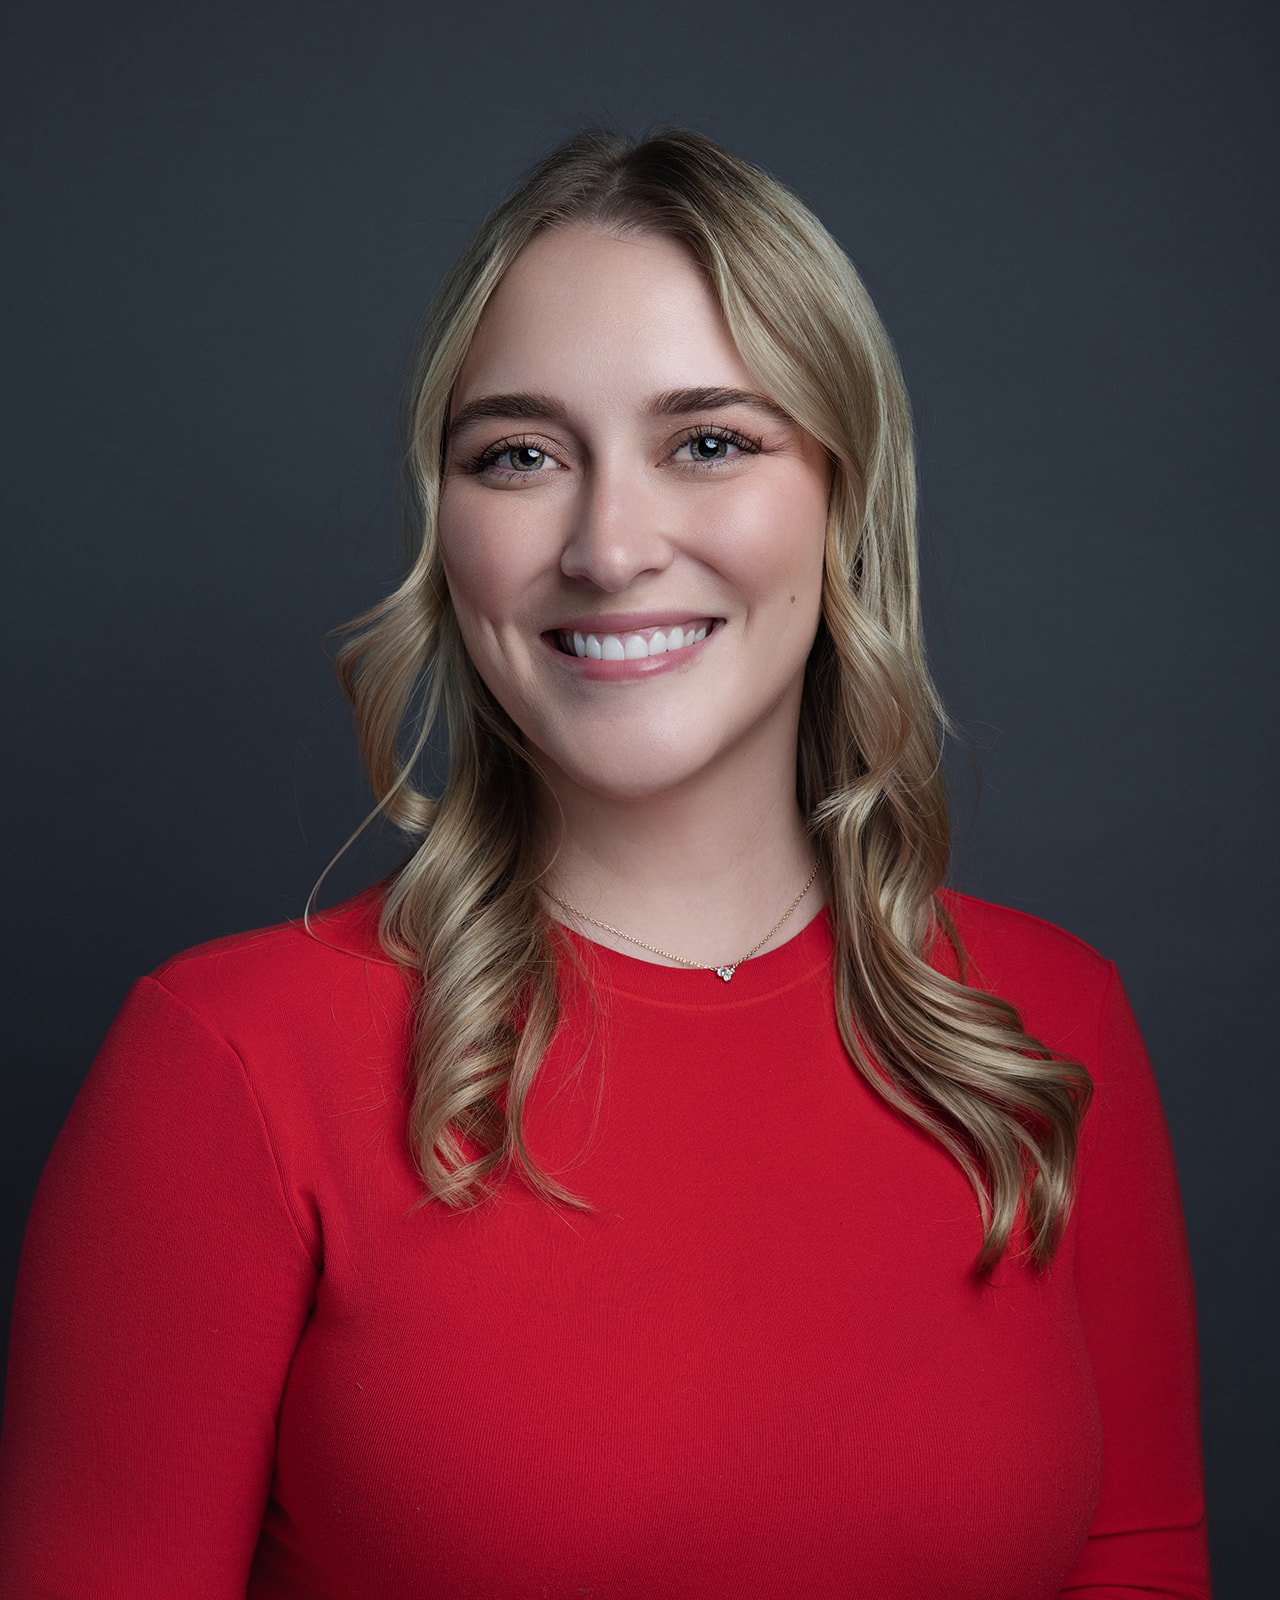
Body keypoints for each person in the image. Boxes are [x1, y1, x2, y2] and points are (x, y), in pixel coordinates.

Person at [0, 126, 1210, 1598]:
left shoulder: (1045, 1026)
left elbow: (1141, 1562)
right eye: (519, 454)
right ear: (448, 528)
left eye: (708, 441)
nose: (609, 543)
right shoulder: (230, 1065)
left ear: (843, 491)